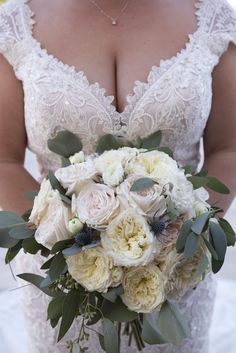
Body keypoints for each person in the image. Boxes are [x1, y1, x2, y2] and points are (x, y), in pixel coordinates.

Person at [0, 0, 235, 352]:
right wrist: (68, 247)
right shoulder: (14, 25)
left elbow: (228, 150)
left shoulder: (213, 18)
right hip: (65, 278)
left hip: (174, 278)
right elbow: (4, 160)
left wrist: (178, 242)